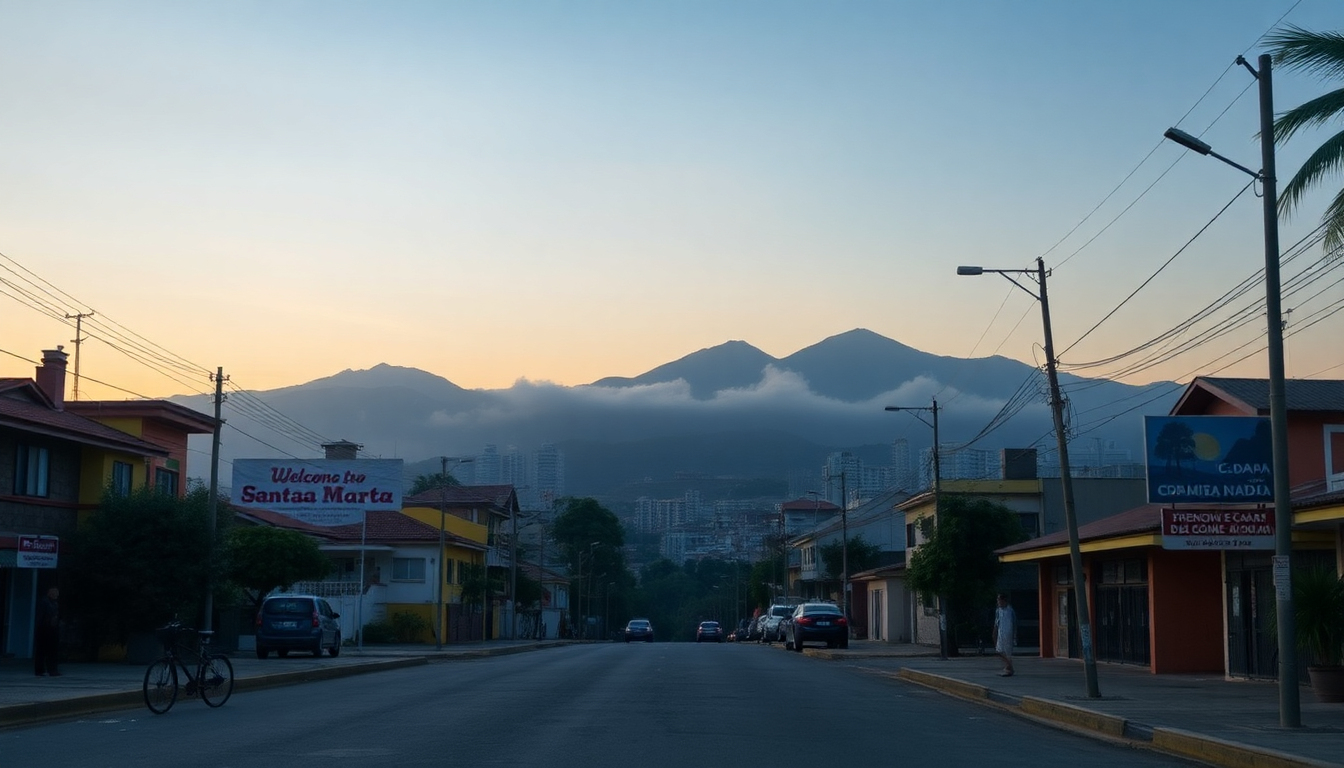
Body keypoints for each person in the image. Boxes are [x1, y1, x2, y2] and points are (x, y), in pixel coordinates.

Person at [34, 586, 61, 677]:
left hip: (49, 628)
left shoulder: (52, 603)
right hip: (46, 629)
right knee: (46, 650)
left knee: (47, 651)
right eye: (54, 593)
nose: (56, 595)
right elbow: (41, 616)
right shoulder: (46, 602)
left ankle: (47, 670)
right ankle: (47, 670)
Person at [992, 592, 1016, 677]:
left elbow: (1014, 623)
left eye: (999, 600)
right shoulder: (998, 610)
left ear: (1004, 601)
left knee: (1007, 652)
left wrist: (1014, 635)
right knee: (999, 651)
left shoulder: (1010, 610)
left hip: (1008, 633)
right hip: (1001, 633)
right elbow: (996, 622)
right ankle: (1010, 666)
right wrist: (994, 631)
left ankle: (1009, 668)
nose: (998, 602)